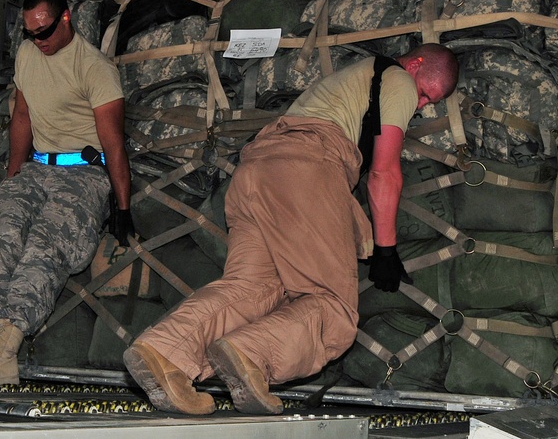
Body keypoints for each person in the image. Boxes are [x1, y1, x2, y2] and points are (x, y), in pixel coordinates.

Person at [123, 43, 459, 414]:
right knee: (333, 309)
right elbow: (383, 172)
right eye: (427, 93)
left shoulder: (354, 80)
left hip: (257, 171)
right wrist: (386, 248)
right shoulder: (397, 80)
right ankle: (253, 352)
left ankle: (164, 352)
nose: (423, 104)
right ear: (416, 64)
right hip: (306, 169)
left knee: (251, 289)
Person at [0, 0, 132, 385]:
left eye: (44, 32)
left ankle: (6, 351)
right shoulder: (29, 54)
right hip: (37, 167)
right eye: (31, 33)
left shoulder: (94, 68)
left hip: (83, 173)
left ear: (66, 19)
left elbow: (114, 144)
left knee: (45, 244)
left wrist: (122, 207)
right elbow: (23, 116)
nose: (38, 41)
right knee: (3, 233)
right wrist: (13, 177)